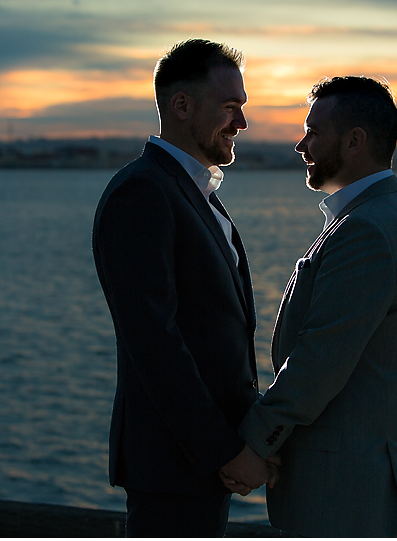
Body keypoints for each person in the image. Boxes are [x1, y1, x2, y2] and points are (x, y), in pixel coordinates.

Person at [92, 39, 275, 537]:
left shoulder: (194, 192)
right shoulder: (143, 192)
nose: (241, 123)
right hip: (173, 464)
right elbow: (154, 343)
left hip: (200, 463)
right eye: (230, 108)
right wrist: (224, 451)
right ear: (181, 106)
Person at [232, 76, 397, 536]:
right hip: (353, 483)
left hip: (346, 490)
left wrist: (252, 444)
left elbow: (320, 359)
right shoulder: (382, 214)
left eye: (314, 132)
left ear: (355, 141)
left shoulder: (367, 230)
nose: (301, 145)